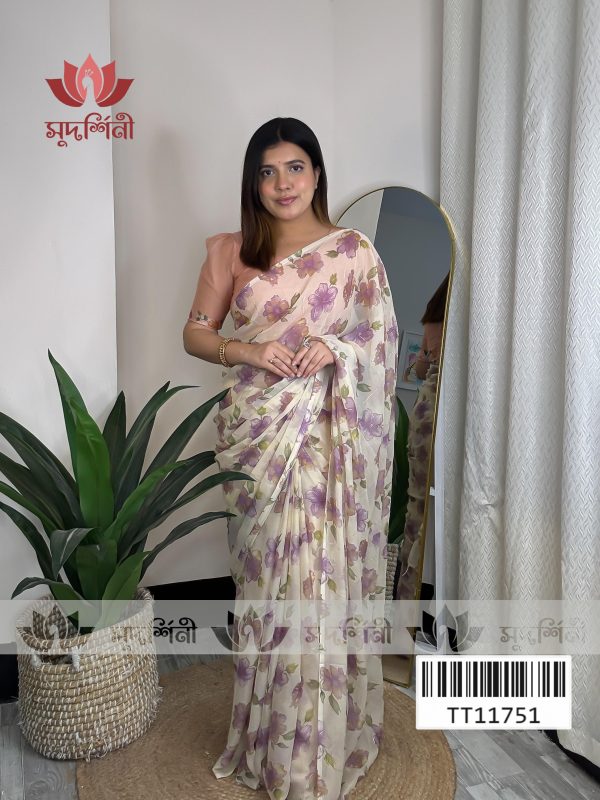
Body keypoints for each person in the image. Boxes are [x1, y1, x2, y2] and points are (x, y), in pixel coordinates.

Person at [183, 117, 398, 800]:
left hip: (328, 444)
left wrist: (335, 349)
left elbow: (380, 340)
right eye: (268, 172)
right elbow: (196, 332)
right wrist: (248, 350)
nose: (282, 184)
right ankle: (273, 741)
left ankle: (316, 752)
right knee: (269, 586)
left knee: (321, 583)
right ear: (253, 182)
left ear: (317, 173)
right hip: (257, 437)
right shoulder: (228, 250)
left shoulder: (353, 252)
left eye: (295, 167)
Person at [395, 274, 448, 602]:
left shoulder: (434, 315)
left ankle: (408, 606)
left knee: (418, 508)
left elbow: (418, 369)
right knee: (435, 510)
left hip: (426, 407)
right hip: (442, 406)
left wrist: (428, 357)